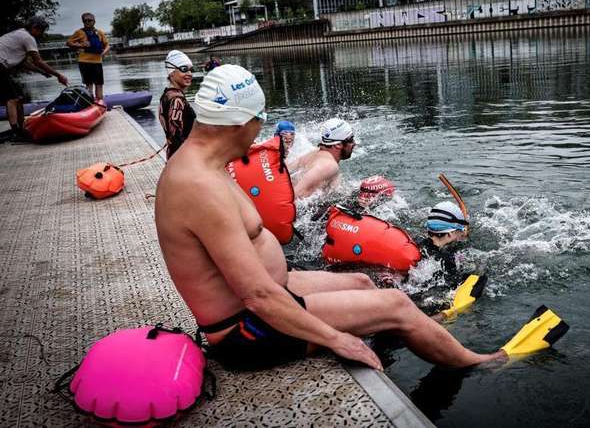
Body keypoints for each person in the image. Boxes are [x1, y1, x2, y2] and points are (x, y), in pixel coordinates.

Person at [154, 64, 511, 371]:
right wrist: (337, 339)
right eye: (258, 122)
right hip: (248, 332)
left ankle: (403, 329)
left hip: (265, 301)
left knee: (361, 282)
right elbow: (258, 295)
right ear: (239, 122)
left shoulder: (203, 165)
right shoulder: (198, 186)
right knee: (399, 303)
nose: (259, 134)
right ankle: (476, 363)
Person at [0, 17, 68, 140]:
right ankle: (16, 132)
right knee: (12, 99)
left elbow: (24, 63)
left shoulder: (20, 33)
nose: (41, 34)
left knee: (18, 99)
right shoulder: (28, 38)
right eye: (41, 31)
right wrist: (58, 75)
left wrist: (42, 72)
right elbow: (38, 61)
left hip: (2, 66)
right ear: (35, 28)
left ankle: (21, 128)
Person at [289, 118, 357, 199]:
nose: (355, 143)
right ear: (338, 145)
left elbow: (285, 171)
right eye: (351, 140)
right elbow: (295, 195)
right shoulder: (329, 166)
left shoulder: (313, 154)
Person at [158, 50, 196, 159]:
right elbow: (176, 137)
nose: (189, 74)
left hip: (174, 157)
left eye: (190, 70)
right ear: (172, 73)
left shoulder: (167, 95)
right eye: (184, 69)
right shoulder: (176, 99)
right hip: (182, 160)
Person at [418, 201, 470, 281]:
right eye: (460, 230)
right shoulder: (448, 260)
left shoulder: (419, 242)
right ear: (450, 234)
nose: (462, 233)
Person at [66, 13, 109, 100]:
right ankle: (90, 101)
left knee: (99, 83)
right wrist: (81, 45)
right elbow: (68, 42)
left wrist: (104, 52)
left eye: (90, 20)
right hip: (84, 62)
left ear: (94, 21)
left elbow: (107, 45)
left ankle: (100, 101)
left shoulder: (99, 32)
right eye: (85, 21)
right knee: (89, 84)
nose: (87, 22)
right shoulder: (79, 32)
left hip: (97, 62)